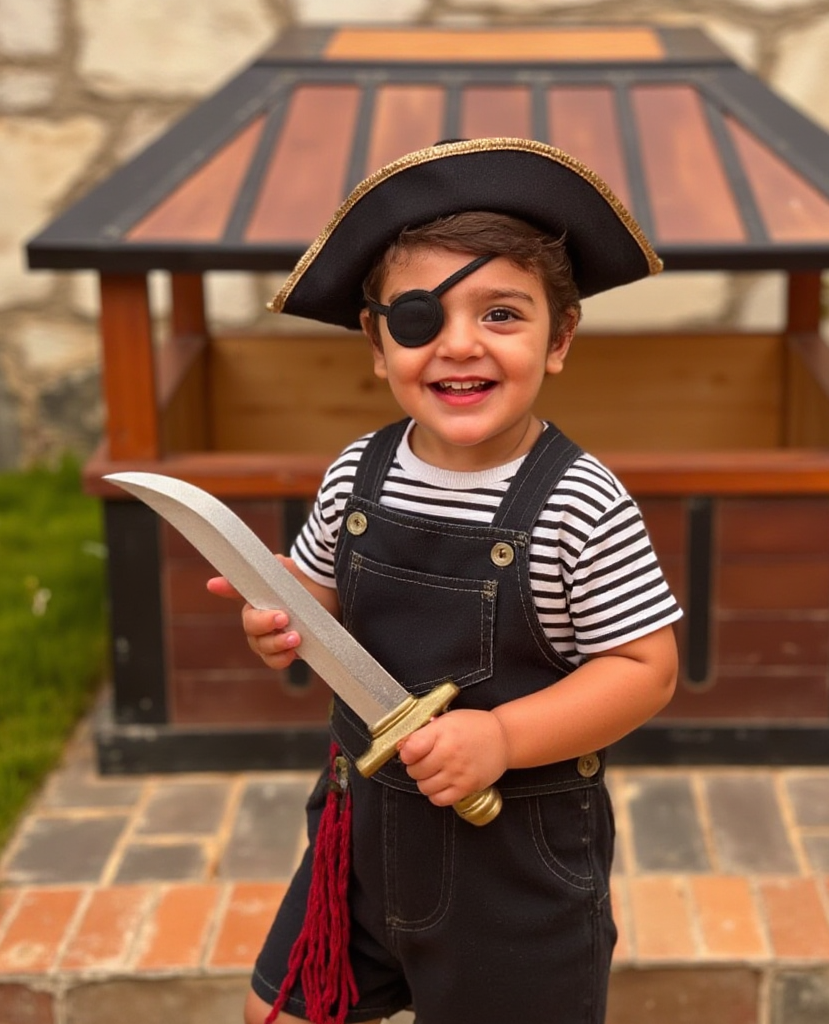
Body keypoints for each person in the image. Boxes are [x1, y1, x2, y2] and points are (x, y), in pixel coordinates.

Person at [209, 138, 681, 1024]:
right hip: (360, 834)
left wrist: (500, 737)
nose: (459, 345)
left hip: (512, 863)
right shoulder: (359, 471)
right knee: (277, 1012)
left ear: (560, 338)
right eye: (421, 317)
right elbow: (322, 601)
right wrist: (280, 614)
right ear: (377, 343)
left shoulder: (581, 501)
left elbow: (642, 668)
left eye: (501, 314)